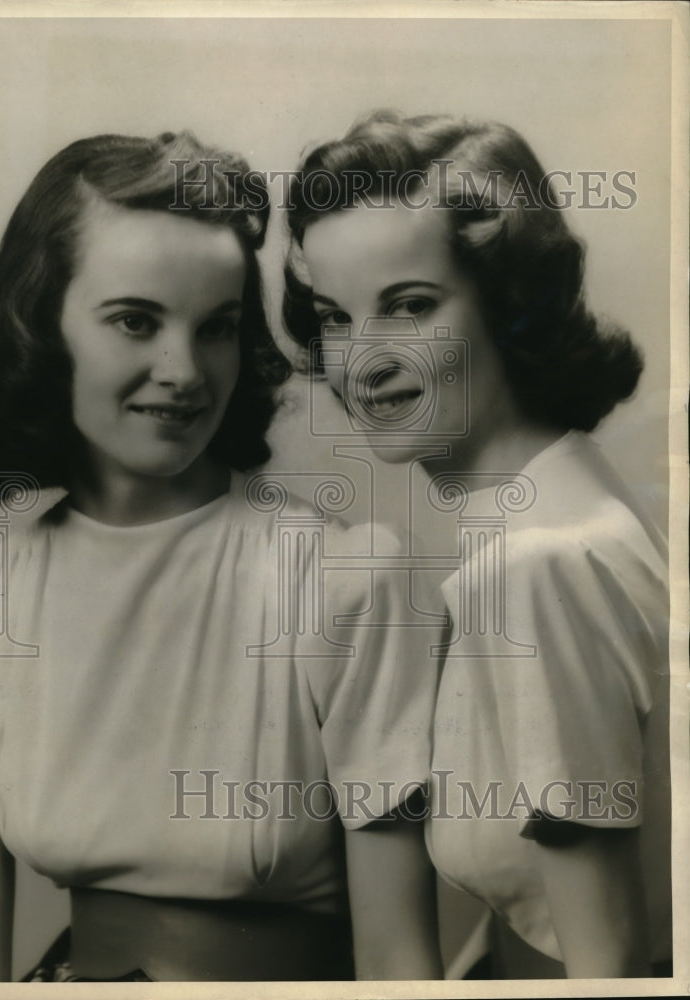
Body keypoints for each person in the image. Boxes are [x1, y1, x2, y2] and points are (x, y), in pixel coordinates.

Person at [0, 130, 443, 982]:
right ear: (41, 324)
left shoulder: (341, 583)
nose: (184, 370)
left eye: (218, 328)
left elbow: (399, 959)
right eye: (135, 320)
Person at [283, 111, 671, 979]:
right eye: (335, 318)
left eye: (409, 307)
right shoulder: (573, 507)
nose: (361, 361)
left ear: (508, 302)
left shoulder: (536, 566)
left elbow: (609, 969)